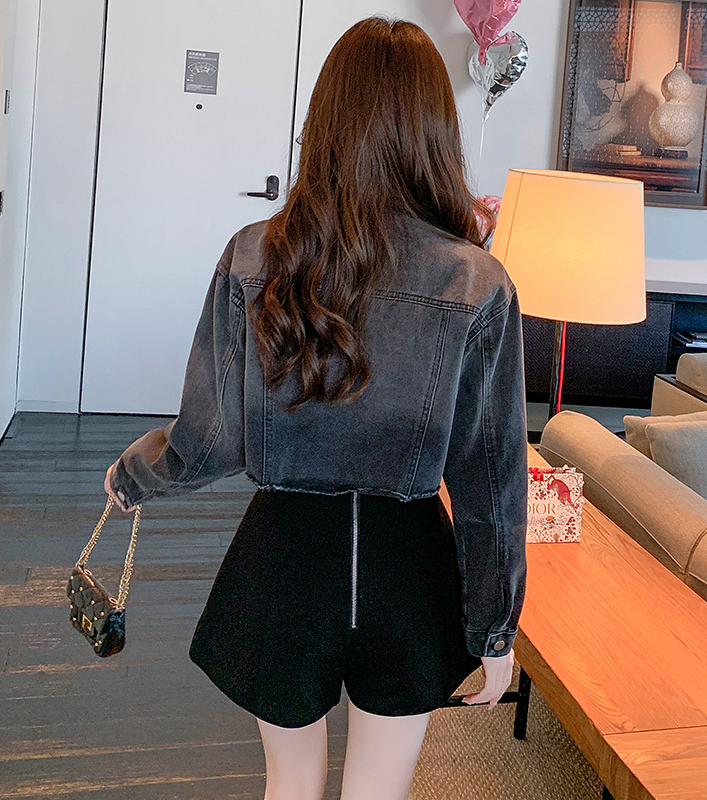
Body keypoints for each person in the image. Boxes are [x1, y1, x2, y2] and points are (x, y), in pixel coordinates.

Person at [104, 15, 528, 800]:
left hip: (285, 558)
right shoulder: (476, 283)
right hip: (408, 570)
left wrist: (137, 473)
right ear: (436, 133)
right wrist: (494, 628)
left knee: (290, 782)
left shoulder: (254, 254)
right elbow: (490, 482)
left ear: (326, 124)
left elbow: (209, 439)